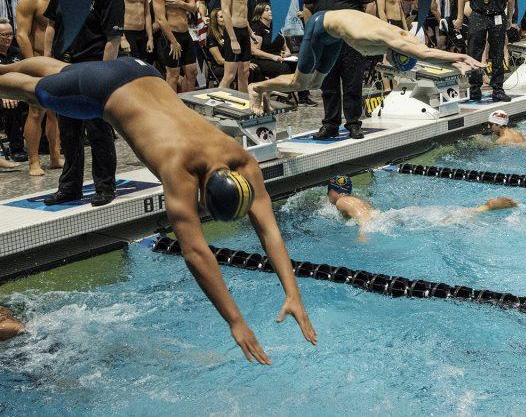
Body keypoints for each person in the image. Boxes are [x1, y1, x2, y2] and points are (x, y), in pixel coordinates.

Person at [0, 55, 316, 363]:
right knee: (35, 92)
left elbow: (268, 229)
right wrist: (235, 321)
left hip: (140, 70)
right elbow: (195, 252)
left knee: (62, 72)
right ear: (203, 192)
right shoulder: (182, 167)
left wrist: (294, 294)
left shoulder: (238, 157)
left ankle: (8, 64)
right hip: (103, 93)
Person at [247, 10, 483, 115]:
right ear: (397, 54)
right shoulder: (390, 39)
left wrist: (455, 65)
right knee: (300, 82)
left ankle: (267, 89)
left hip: (335, 36)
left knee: (314, 84)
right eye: (395, 62)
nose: (389, 62)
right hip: (319, 28)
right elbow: (424, 54)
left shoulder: (402, 37)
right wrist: (461, 56)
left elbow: (421, 52)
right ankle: (256, 88)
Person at [42, 0, 123, 205]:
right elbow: (51, 25)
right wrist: (47, 62)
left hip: (92, 69)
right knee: (69, 132)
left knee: (98, 131)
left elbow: (113, 39)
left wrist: (104, 77)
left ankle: (105, 186)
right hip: (63, 68)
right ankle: (70, 186)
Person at [304, 0, 375, 140]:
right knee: (328, 84)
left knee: (352, 83)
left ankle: (353, 123)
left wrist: (364, 32)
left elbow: (369, 4)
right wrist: (310, 33)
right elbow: (308, 6)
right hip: (325, 41)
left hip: (350, 41)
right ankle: (330, 125)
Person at [325, 174, 518, 243]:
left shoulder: (343, 201)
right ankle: (481, 209)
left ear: (334, 191)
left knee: (441, 223)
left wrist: (363, 235)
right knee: (438, 221)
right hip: (390, 217)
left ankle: (484, 208)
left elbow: (363, 218)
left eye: (329, 191)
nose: (328, 196)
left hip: (381, 222)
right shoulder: (353, 198)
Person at [15, 0, 61, 176]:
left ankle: (54, 156)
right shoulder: (30, 0)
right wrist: (31, 63)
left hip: (58, 61)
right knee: (36, 111)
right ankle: (34, 162)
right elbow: (22, 35)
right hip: (38, 60)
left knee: (56, 112)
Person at [457, 0, 515, 103]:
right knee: (474, 52)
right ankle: (474, 90)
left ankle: (498, 89)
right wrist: (460, 17)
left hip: (497, 16)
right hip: (478, 15)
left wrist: (509, 17)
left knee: (497, 54)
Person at [151, 0, 199, 93]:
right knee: (173, 75)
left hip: (185, 34)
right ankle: (173, 108)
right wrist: (173, 41)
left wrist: (180, 3)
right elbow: (160, 19)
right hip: (171, 37)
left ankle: (189, 104)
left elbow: (194, 7)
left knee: (192, 72)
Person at [219, 0, 256, 94]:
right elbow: (225, 11)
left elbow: (244, 13)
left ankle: (244, 105)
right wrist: (233, 39)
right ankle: (215, 104)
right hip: (232, 30)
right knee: (229, 76)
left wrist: (250, 32)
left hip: (243, 31)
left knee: (244, 73)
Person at [0, 20, 24, 171]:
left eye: (11, 34)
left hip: (20, 93)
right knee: (9, 105)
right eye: (4, 35)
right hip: (3, 95)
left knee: (42, 103)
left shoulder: (16, 53)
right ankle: (17, 149)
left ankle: (45, 146)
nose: (8, 38)